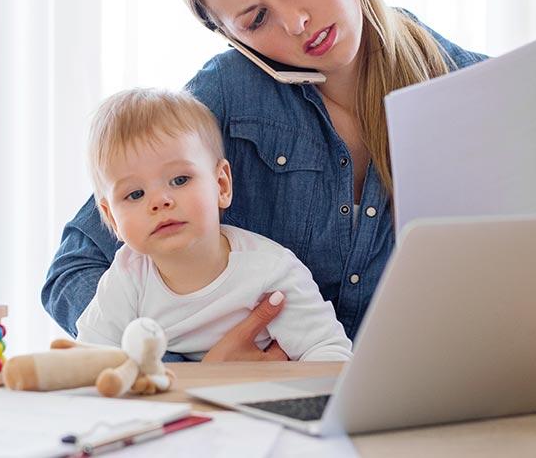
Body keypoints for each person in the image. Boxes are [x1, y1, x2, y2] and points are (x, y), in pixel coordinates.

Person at [43, 0, 488, 361]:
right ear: (234, 37)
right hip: (258, 422)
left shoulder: (474, 86)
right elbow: (74, 268)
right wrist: (183, 366)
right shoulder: (224, 99)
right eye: (256, 19)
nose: (296, 21)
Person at [75, 87, 352, 362]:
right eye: (135, 194)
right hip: (172, 403)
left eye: (180, 180)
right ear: (111, 218)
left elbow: (330, 353)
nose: (159, 202)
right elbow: (91, 361)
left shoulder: (271, 270)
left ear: (221, 185)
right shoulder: (127, 278)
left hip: (261, 400)